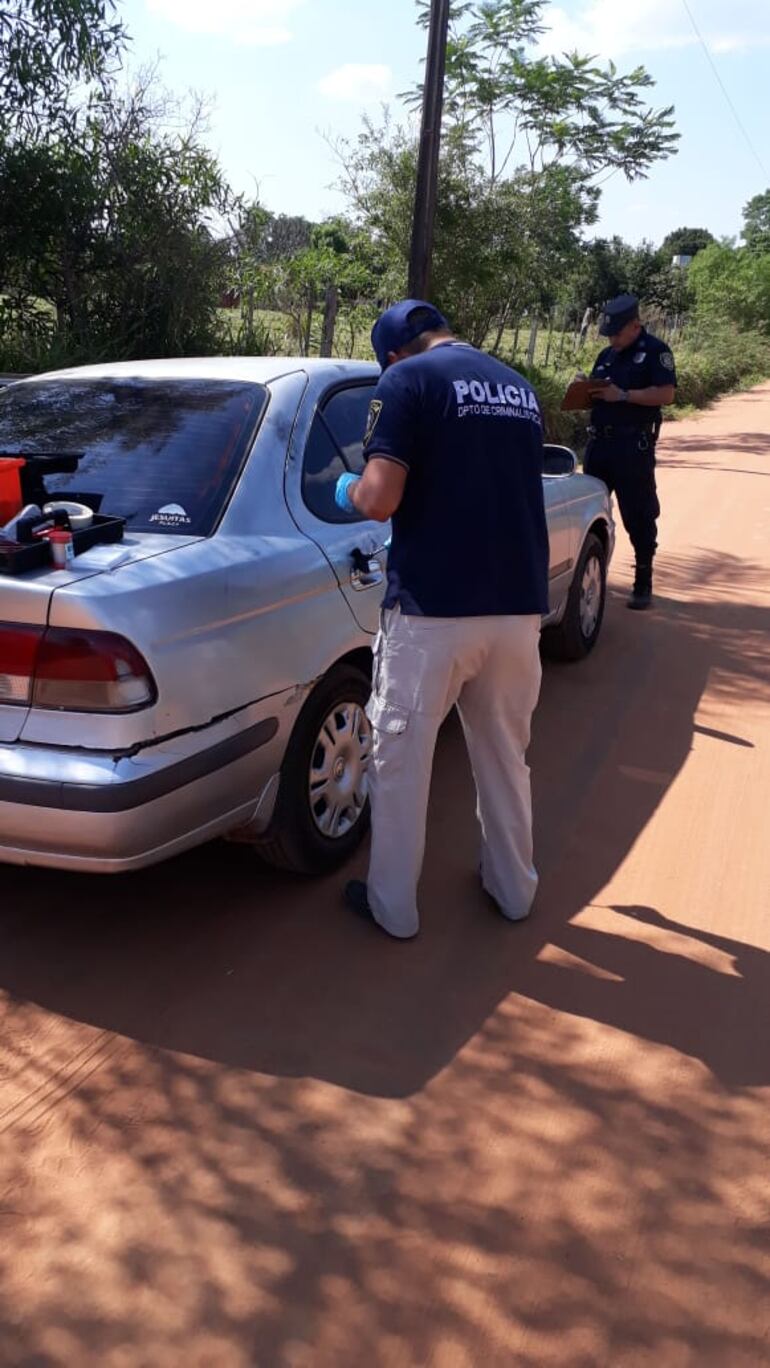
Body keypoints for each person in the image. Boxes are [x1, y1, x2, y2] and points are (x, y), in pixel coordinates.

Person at [334, 299, 549, 940]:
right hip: (516, 610)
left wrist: (343, 487)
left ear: (394, 353)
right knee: (505, 755)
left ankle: (393, 909)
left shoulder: (406, 380)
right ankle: (514, 891)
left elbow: (378, 499)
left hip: (433, 612)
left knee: (401, 763)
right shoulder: (518, 388)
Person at [584, 293, 677, 610]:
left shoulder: (656, 352)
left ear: (635, 325)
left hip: (631, 446)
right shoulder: (606, 354)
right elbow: (600, 391)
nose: (611, 339)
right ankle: (590, 577)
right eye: (608, 334)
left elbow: (666, 394)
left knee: (638, 514)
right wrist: (585, 387)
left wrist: (623, 395)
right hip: (599, 445)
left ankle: (643, 581)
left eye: (616, 333)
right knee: (588, 511)